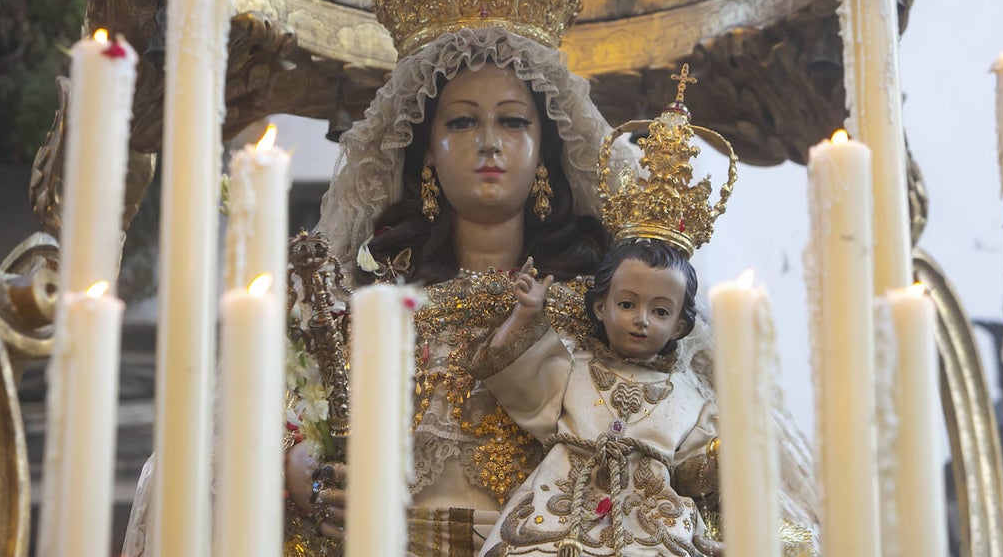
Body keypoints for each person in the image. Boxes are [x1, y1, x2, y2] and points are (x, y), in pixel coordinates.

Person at [282, 29, 635, 556]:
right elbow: (292, 423)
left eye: (513, 121)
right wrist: (310, 475)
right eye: (463, 121)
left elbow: (647, 438)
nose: (488, 141)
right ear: (428, 151)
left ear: (544, 150)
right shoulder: (374, 306)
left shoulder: (602, 310)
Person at [474, 241, 719, 557]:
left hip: (650, 518)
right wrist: (526, 312)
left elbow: (693, 474)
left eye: (660, 311)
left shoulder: (692, 402)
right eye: (628, 304)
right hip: (558, 505)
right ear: (601, 307)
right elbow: (511, 370)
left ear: (679, 326)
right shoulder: (573, 368)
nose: (642, 319)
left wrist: (716, 459)